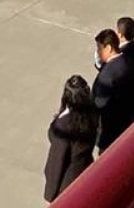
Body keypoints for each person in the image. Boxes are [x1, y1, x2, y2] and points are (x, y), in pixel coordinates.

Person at [43, 74, 98, 202]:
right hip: (83, 171)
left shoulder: (64, 125)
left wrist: (50, 194)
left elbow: (57, 161)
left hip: (66, 184)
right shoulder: (91, 115)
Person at [92, 29, 134, 152]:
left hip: (109, 130)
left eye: (100, 48)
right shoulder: (128, 61)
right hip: (126, 122)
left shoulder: (107, 75)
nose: (98, 52)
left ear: (109, 48)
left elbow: (100, 104)